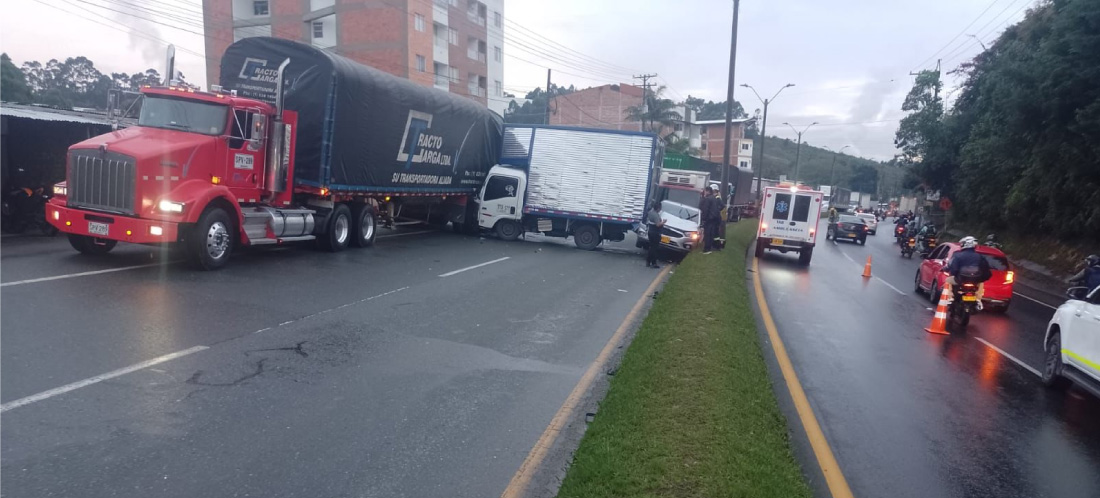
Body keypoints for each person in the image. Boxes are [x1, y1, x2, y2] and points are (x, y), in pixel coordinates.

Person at [945, 236, 993, 309]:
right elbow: (986, 270)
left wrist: (953, 274)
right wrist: (983, 278)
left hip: (960, 280)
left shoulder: (958, 255)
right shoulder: (979, 257)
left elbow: (954, 269)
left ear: (964, 244)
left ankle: (950, 297)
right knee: (981, 283)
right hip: (975, 281)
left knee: (948, 281)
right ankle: (978, 299)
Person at [700, 186, 723, 254]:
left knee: (707, 234)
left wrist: (703, 219)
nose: (704, 192)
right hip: (714, 219)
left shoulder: (708, 199)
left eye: (705, 191)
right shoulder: (714, 198)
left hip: (709, 219)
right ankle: (709, 248)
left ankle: (706, 249)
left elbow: (706, 210)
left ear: (708, 191)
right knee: (711, 234)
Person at [645, 201, 665, 268]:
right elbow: (658, 224)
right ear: (658, 208)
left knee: (652, 247)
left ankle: (649, 262)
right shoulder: (656, 215)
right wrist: (663, 222)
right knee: (654, 248)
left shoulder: (650, 212)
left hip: (650, 232)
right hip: (655, 233)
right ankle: (653, 262)